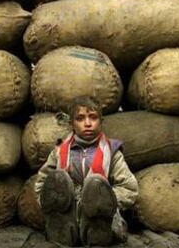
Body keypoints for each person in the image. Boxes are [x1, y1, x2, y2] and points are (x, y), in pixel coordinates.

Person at [34, 96, 139, 247]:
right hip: (67, 215)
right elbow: (42, 185)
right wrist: (53, 203)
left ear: (101, 122)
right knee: (58, 178)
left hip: (99, 218)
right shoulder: (59, 152)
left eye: (93, 118)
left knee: (95, 184)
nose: (88, 123)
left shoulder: (112, 152)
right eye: (80, 118)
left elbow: (130, 188)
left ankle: (98, 235)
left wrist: (104, 200)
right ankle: (61, 233)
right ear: (72, 124)